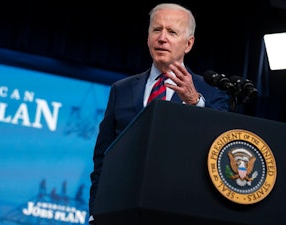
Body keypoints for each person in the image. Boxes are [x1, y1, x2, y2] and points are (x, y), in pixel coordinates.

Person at [88, 3, 230, 224]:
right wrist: (95, 212)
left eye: (172, 32)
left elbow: (222, 147)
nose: (162, 38)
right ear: (147, 37)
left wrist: (194, 101)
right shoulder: (121, 89)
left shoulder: (212, 91)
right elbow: (102, 159)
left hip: (177, 212)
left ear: (189, 44)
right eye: (156, 30)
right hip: (121, 212)